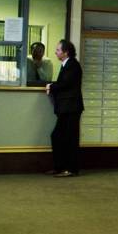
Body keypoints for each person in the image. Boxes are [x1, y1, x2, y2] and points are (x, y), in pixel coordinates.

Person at [46, 39, 84, 177]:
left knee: (70, 138)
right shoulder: (66, 64)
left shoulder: (72, 65)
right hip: (66, 108)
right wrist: (53, 85)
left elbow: (65, 84)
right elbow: (63, 82)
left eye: (58, 50)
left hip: (71, 108)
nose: (55, 52)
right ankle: (60, 167)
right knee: (58, 136)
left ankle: (71, 169)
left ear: (66, 52)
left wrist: (51, 86)